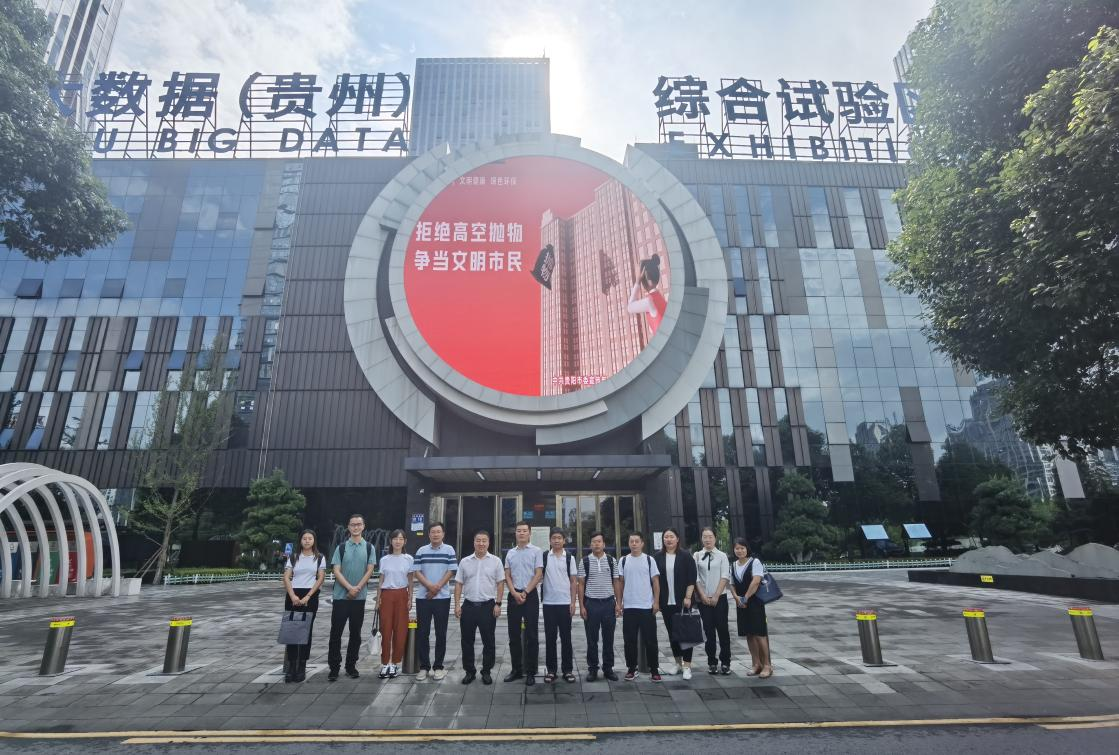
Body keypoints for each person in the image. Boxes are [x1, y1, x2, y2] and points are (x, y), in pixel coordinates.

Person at [327, 514, 377, 681]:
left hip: (359, 598)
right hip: (340, 597)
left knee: (355, 633)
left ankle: (351, 666)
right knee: (336, 633)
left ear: (363, 526)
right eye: (353, 524)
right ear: (348, 527)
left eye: (358, 524)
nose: (356, 527)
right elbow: (336, 570)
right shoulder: (341, 547)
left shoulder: (369, 547)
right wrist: (349, 588)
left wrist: (357, 588)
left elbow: (370, 570)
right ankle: (334, 667)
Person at [454, 530, 505, 685]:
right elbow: (458, 584)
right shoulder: (465, 562)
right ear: (474, 542)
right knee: (466, 641)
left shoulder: (496, 561)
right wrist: (457, 604)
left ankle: (486, 671)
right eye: (478, 540)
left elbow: (500, 583)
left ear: (488, 543)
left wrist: (498, 603)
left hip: (487, 606)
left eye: (484, 541)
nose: (481, 543)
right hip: (468, 606)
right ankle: (469, 671)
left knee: (488, 641)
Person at [410, 521, 456, 681]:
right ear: (429, 534)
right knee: (423, 633)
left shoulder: (449, 550)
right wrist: (430, 587)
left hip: (442, 598)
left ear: (443, 534)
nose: (435, 534)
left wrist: (437, 588)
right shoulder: (421, 550)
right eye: (433, 532)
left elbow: (451, 570)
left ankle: (438, 667)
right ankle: (424, 667)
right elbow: (416, 571)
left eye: (438, 532)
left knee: (441, 633)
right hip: (423, 598)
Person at [282, 529, 326, 683]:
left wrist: (308, 596)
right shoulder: (294, 557)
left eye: (310, 538)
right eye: (304, 538)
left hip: (310, 596)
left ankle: (302, 666)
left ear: (314, 541)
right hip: (293, 595)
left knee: (306, 631)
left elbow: (320, 578)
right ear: (300, 540)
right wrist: (293, 595)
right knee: (291, 631)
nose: (307, 541)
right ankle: (291, 666)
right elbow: (286, 577)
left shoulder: (319, 558)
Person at [503, 521, 544, 686]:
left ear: (529, 533)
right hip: (514, 595)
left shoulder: (536, 551)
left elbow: (538, 574)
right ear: (515, 533)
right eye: (518, 531)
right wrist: (514, 593)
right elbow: (507, 575)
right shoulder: (510, 553)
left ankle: (531, 671)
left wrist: (525, 592)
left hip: (530, 595)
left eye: (524, 531)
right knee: (513, 635)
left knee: (531, 635)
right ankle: (516, 669)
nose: (521, 533)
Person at [654, 527, 697, 680]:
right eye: (666, 537)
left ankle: (687, 666)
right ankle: (678, 663)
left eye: (671, 536)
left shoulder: (685, 556)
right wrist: (656, 600)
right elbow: (655, 580)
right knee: (673, 635)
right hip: (666, 602)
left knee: (686, 635)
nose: (669, 539)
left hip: (683, 601)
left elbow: (692, 578)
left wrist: (688, 597)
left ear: (677, 539)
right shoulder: (657, 557)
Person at [578, 531, 621, 682]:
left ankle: (608, 668)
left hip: (608, 604)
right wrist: (581, 606)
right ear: (590, 545)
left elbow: (616, 581)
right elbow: (581, 584)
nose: (596, 544)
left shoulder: (611, 560)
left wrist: (618, 603)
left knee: (609, 638)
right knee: (592, 639)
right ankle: (593, 669)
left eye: (599, 541)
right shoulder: (584, 561)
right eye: (594, 542)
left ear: (604, 544)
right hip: (591, 604)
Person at [619, 532, 661, 682]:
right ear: (629, 543)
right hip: (629, 606)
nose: (634, 544)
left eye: (637, 541)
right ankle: (631, 668)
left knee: (651, 640)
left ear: (642, 543)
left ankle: (654, 669)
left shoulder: (649, 560)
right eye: (632, 541)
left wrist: (656, 602)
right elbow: (620, 583)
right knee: (629, 640)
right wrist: (619, 603)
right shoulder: (623, 560)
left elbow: (655, 582)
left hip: (646, 606)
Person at [730, 538, 773, 679]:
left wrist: (746, 598)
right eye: (737, 548)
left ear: (747, 549)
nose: (739, 551)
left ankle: (767, 665)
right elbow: (732, 584)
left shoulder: (755, 562)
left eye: (742, 548)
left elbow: (756, 581)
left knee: (759, 634)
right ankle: (756, 664)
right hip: (741, 603)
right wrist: (736, 597)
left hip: (754, 602)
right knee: (749, 634)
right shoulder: (733, 565)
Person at [540, 527, 578, 684]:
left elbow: (573, 581)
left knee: (566, 638)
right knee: (550, 638)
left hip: (564, 603)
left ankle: (567, 670)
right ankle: (551, 670)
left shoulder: (569, 557)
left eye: (559, 538)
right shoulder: (544, 557)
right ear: (550, 540)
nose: (556, 540)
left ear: (564, 540)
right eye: (554, 538)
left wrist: (573, 602)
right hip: (549, 604)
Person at [694, 526, 732, 675]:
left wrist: (716, 595)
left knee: (723, 630)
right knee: (709, 632)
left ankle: (726, 662)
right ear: (701, 539)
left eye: (710, 537)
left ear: (715, 538)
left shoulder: (722, 556)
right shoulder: (697, 555)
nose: (707, 539)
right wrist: (703, 596)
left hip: (720, 598)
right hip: (704, 599)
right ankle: (712, 662)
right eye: (705, 537)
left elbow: (725, 576)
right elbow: (696, 577)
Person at [377, 529, 414, 679]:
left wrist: (410, 598)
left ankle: (395, 663)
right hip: (387, 595)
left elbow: (410, 580)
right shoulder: (384, 559)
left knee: (401, 629)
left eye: (401, 539)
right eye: (395, 539)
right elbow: (381, 580)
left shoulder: (408, 559)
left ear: (405, 542)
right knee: (385, 629)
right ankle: (385, 663)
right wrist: (378, 598)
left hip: (402, 594)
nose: (398, 541)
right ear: (391, 541)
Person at [627, 254, 667, 334]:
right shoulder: (662, 300)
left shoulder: (649, 301)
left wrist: (637, 281)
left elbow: (629, 308)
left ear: (647, 278)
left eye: (641, 279)